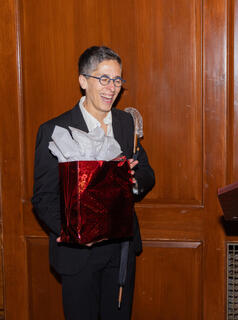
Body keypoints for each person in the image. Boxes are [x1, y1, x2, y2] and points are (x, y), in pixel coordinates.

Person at [31, 46, 155, 319]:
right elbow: (42, 198)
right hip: (77, 254)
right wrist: (73, 231)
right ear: (83, 81)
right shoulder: (54, 130)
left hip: (120, 251)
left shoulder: (126, 124)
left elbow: (147, 172)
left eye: (118, 80)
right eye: (104, 78)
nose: (112, 87)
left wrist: (133, 180)